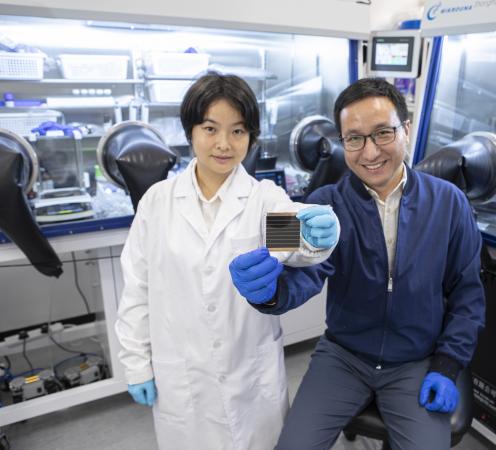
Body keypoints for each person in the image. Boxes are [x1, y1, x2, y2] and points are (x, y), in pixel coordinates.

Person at [229, 77, 486, 450]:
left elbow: (468, 295)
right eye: (354, 138)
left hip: (416, 361)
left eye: (383, 133)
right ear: (342, 142)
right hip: (342, 356)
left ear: (406, 130)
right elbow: (295, 273)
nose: (369, 153)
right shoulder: (318, 203)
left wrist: (448, 364)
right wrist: (268, 291)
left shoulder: (450, 202)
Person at [115, 72, 339, 450]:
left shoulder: (262, 199)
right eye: (210, 128)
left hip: (249, 378)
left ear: (250, 137)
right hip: (183, 378)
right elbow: (138, 287)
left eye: (237, 131)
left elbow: (296, 246)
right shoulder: (158, 201)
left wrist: (319, 237)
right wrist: (136, 362)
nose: (224, 144)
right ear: (191, 132)